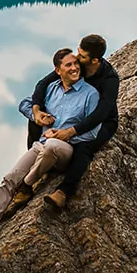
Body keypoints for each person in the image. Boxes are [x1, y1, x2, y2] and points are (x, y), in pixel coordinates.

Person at [0, 48, 100, 243]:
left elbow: (92, 132)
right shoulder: (52, 89)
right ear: (58, 70)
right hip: (40, 146)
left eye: (76, 64)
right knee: (10, 178)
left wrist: (61, 134)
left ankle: (27, 184)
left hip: (67, 149)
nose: (75, 68)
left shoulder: (89, 94)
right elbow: (24, 103)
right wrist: (37, 115)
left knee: (51, 146)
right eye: (69, 65)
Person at [27, 33, 118, 210]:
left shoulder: (110, 79)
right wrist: (37, 111)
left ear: (94, 60)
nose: (77, 58)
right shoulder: (77, 66)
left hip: (104, 121)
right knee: (34, 121)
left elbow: (101, 113)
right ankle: (35, 158)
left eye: (82, 56)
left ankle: (63, 191)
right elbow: (42, 84)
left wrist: (71, 132)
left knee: (86, 145)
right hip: (78, 114)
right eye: (78, 51)